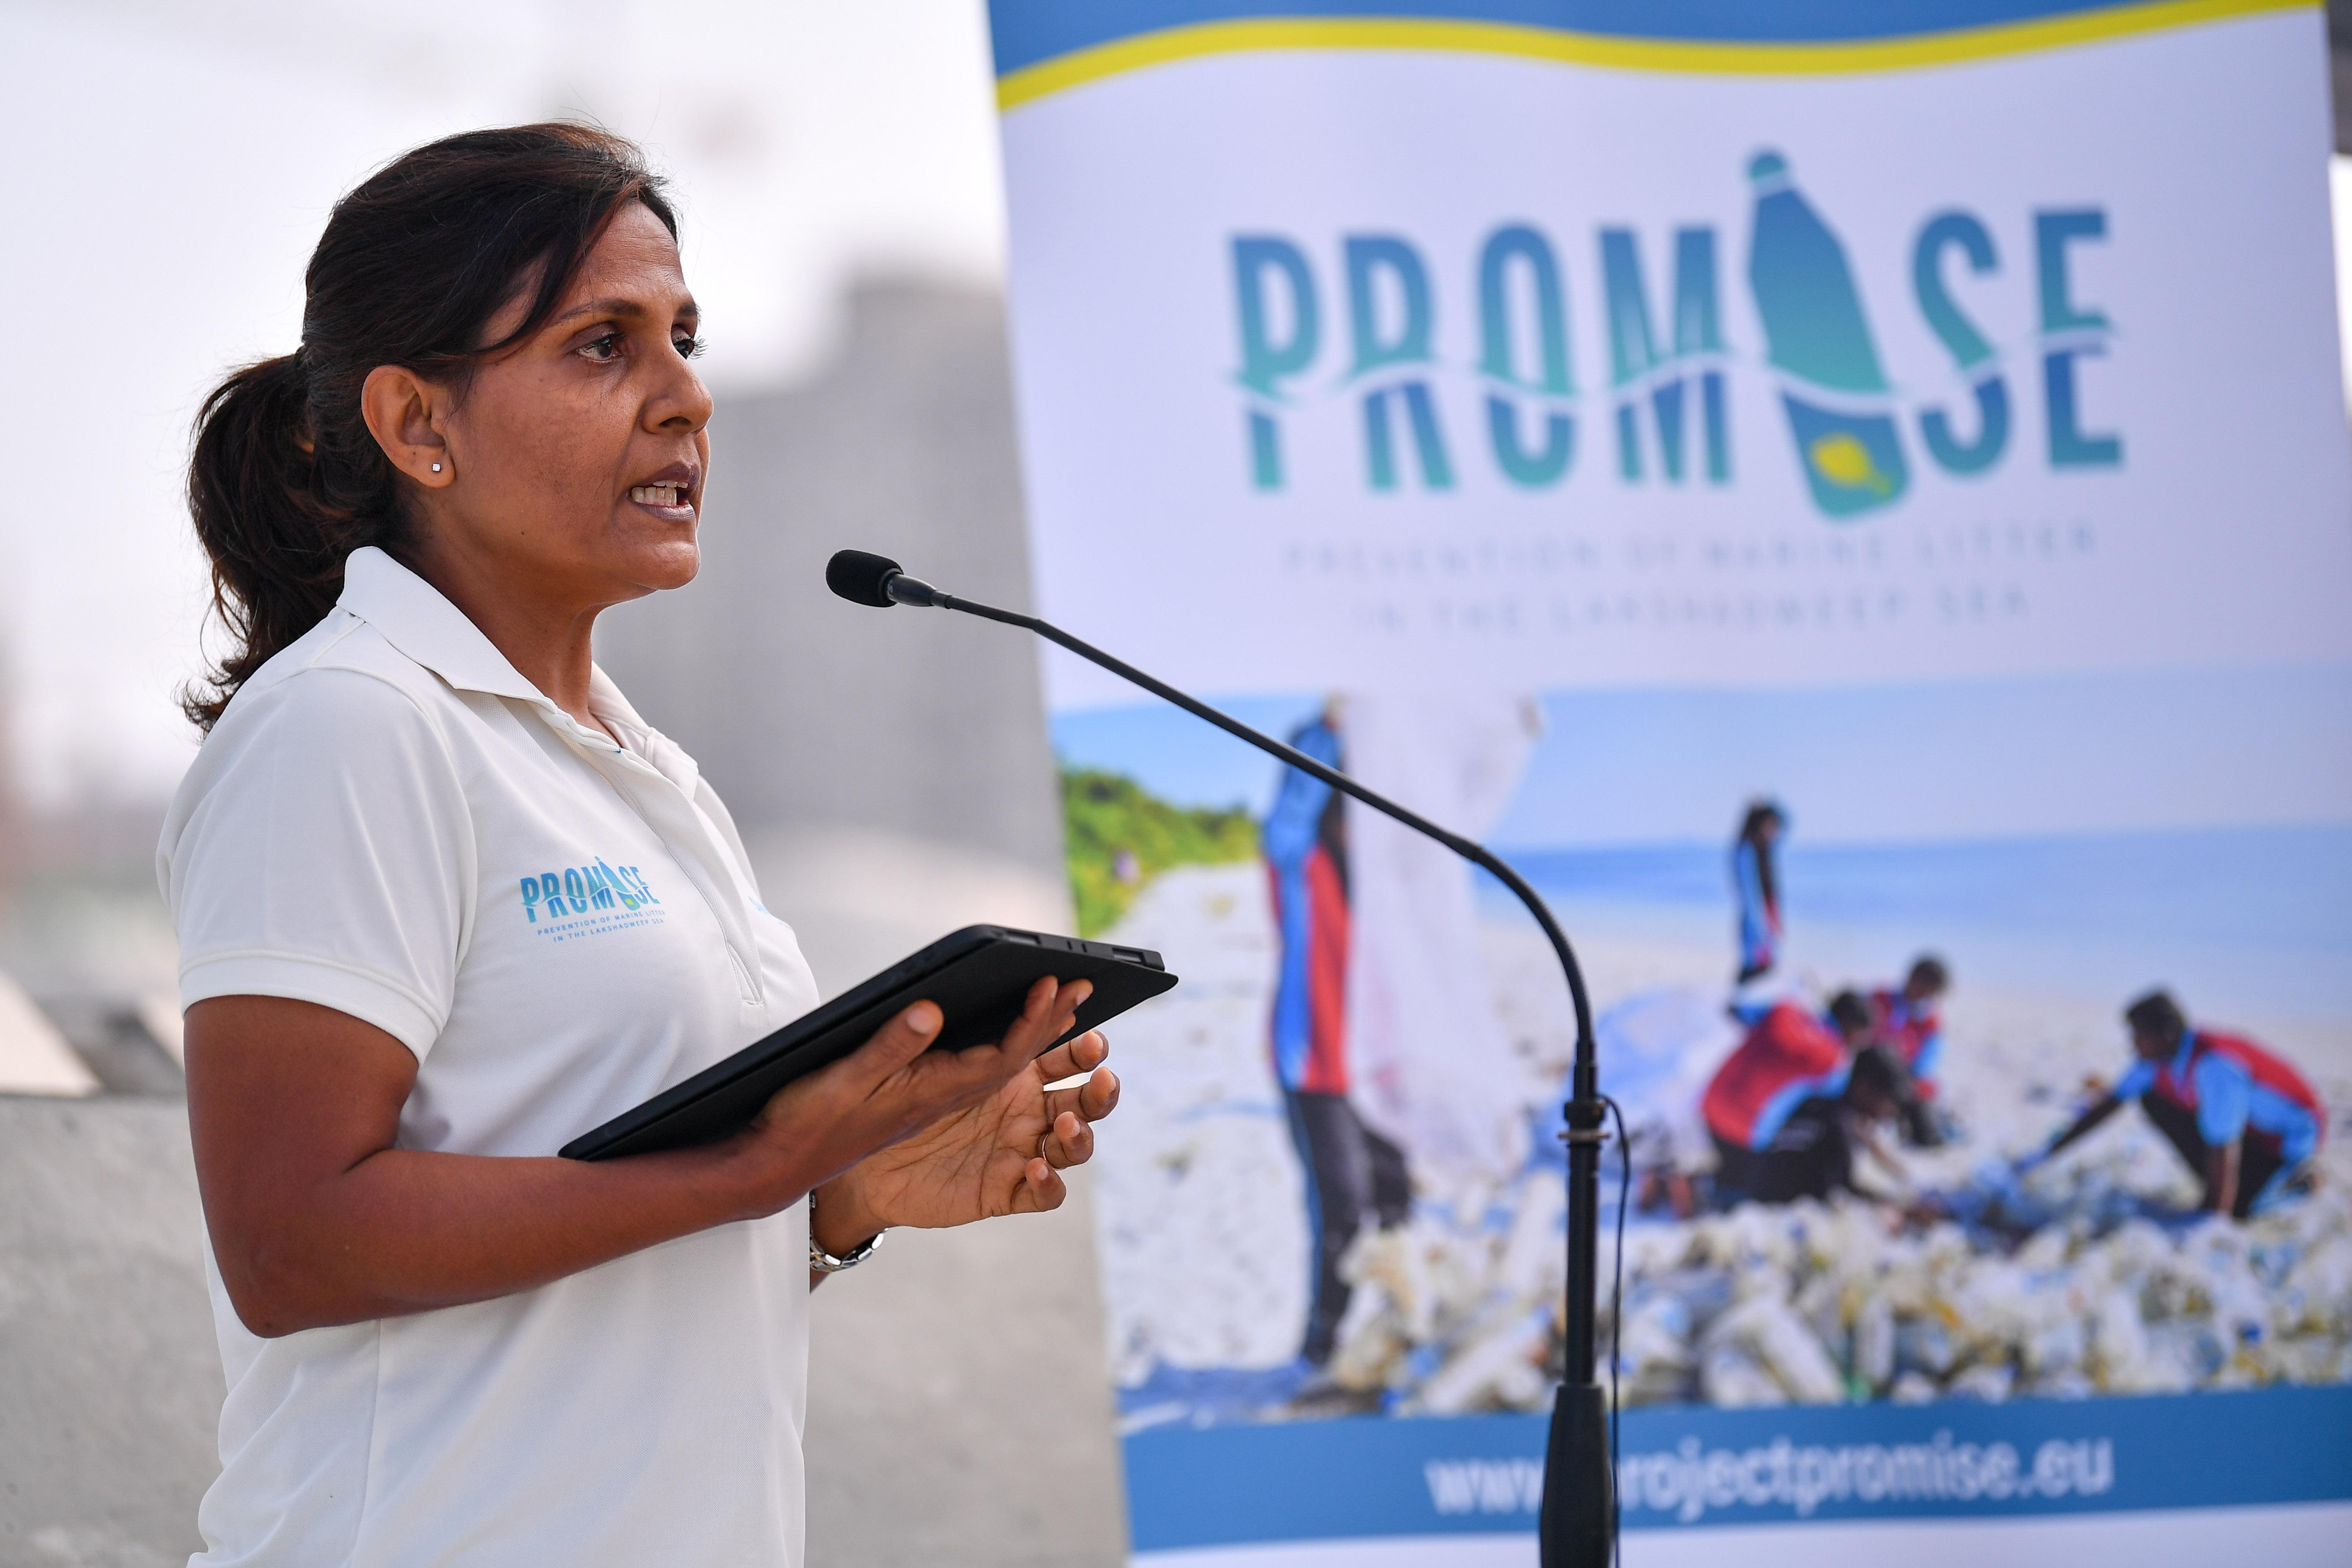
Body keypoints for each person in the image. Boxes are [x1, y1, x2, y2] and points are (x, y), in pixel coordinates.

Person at [158, 125, 1119, 1568]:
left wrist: (844, 1193)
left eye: (683, 337)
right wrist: (751, 1173)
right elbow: (292, 1242)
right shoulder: (351, 723)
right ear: (420, 425)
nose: (686, 397)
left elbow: (585, 1239)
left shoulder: (638, 770)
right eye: (602, 347)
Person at [1262, 702, 1407, 1367]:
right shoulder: (1297, 859)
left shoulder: (1375, 876)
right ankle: (1321, 1344)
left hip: (1377, 1066)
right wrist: (1333, 728)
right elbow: (1298, 791)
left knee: (1398, 1197)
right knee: (1344, 1210)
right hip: (1313, 1064)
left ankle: (1397, 1328)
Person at [2034, 991, 2323, 1217]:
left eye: (2139, 1035)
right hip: (2245, 1132)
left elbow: (2224, 1145)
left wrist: (2212, 1220)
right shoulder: (2157, 1061)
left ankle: (2298, 1185)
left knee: (2241, 1209)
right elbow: (2110, 1105)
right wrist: (2047, 1153)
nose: (2133, 1044)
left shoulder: (2215, 1065)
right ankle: (2222, 1192)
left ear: (2167, 1032)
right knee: (2150, 1096)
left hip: (2284, 1142)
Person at [1704, 991, 1898, 1204]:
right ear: (1850, 1026)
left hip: (1708, 1106)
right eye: (1861, 1037)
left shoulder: (1785, 1009)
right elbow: (1842, 1105)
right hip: (1744, 1135)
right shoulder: (1833, 1059)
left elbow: (1740, 1013)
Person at [1870, 955, 1951, 1146]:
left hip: (1901, 1080)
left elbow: (1925, 1067)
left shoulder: (1931, 1023)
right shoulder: (1880, 999)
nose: (1923, 990)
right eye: (1921, 981)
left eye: (1931, 987)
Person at [1732, 799, 1787, 983]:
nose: (1773, 832)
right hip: (1756, 924)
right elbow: (1750, 898)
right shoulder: (1747, 851)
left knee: (1765, 972)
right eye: (1770, 826)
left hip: (1765, 921)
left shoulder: (1765, 850)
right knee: (1755, 972)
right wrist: (1761, 934)